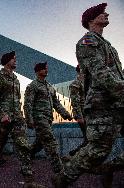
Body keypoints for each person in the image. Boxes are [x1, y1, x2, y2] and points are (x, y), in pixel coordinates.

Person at [52, 3, 124, 187]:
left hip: (118, 102)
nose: (106, 14)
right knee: (97, 150)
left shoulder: (108, 45)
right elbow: (100, 74)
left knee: (99, 150)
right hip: (102, 105)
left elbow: (117, 75)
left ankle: (110, 167)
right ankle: (62, 178)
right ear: (91, 20)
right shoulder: (87, 42)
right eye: (101, 13)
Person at [0, 51, 44, 188]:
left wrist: (21, 116)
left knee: (23, 146)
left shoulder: (15, 78)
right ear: (7, 61)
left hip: (16, 118)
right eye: (13, 59)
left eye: (15, 58)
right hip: (1, 119)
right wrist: (2, 114)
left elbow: (17, 100)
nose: (16, 61)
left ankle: (29, 180)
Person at [24, 62, 72, 174]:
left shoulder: (49, 86)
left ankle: (26, 158)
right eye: (44, 69)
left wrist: (65, 114)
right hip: (39, 118)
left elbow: (56, 103)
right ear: (38, 71)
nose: (46, 70)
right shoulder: (33, 86)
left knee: (40, 143)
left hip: (48, 118)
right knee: (50, 142)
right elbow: (27, 104)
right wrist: (29, 119)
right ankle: (60, 172)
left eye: (46, 68)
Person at [68, 65, 87, 156]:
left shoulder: (87, 83)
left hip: (89, 114)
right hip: (83, 115)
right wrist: (79, 117)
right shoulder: (76, 84)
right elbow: (75, 102)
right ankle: (76, 156)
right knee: (89, 139)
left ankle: (75, 154)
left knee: (89, 139)